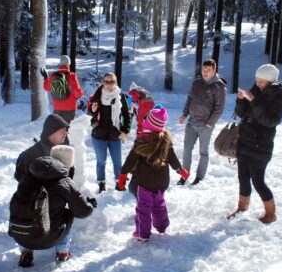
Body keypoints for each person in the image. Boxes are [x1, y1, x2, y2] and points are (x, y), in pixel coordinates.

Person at [10, 145, 96, 266]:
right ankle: (62, 252)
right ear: (69, 165)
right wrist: (90, 205)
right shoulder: (66, 183)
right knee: (68, 213)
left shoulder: (29, 176)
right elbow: (82, 212)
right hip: (50, 237)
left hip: (21, 234)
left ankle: (26, 251)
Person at [117, 106, 189, 242]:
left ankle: (143, 234)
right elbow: (172, 158)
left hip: (145, 182)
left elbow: (131, 160)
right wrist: (180, 170)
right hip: (162, 181)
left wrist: (123, 174)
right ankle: (162, 226)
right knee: (159, 204)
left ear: (148, 123)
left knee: (144, 208)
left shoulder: (142, 140)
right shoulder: (166, 139)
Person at [229, 64, 282, 223]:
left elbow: (269, 121)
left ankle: (270, 213)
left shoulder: (279, 98)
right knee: (243, 178)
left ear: (270, 81)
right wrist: (241, 101)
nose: (257, 84)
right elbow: (242, 114)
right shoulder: (256, 89)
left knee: (258, 181)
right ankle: (242, 208)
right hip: (244, 142)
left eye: (261, 81)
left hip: (260, 146)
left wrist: (253, 100)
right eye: (256, 80)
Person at [177, 58, 226, 186]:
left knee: (203, 152)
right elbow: (189, 99)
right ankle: (184, 176)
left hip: (206, 125)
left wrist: (210, 122)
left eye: (208, 70)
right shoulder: (197, 82)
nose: (205, 72)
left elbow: (219, 108)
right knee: (187, 150)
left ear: (214, 70)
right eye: (204, 69)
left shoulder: (219, 86)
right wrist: (184, 115)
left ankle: (199, 177)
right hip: (192, 122)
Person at [88, 73, 131, 193]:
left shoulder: (120, 96)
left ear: (115, 83)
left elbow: (127, 116)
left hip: (115, 133)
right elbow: (90, 114)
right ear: (103, 82)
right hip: (98, 134)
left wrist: (125, 131)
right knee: (101, 161)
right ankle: (101, 184)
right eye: (106, 82)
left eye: (111, 82)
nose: (109, 84)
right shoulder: (97, 95)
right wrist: (93, 110)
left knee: (117, 162)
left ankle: (120, 183)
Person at [14, 113, 70, 184]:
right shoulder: (34, 155)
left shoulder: (56, 150)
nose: (66, 133)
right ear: (52, 132)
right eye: (62, 131)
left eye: (66, 130)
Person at [42, 55, 84, 124]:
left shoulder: (54, 75)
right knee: (67, 128)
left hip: (57, 107)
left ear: (60, 63)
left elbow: (47, 87)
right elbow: (77, 92)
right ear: (69, 64)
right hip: (70, 107)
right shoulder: (72, 76)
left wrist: (46, 78)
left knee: (58, 128)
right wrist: (81, 94)